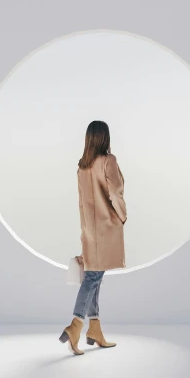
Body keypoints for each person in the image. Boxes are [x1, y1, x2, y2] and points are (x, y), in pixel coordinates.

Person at [58, 120, 126, 355]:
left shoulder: (82, 167)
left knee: (94, 276)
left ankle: (94, 328)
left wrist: (85, 231)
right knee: (93, 278)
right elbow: (116, 192)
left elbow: (82, 203)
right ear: (104, 137)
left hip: (89, 229)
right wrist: (122, 217)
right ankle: (76, 324)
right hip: (106, 228)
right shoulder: (109, 160)